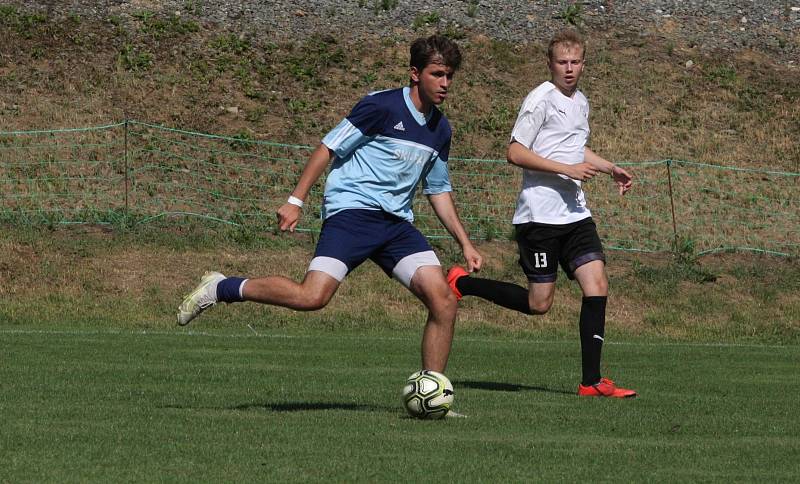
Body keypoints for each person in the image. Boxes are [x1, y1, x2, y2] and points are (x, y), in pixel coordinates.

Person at [177, 34, 482, 373]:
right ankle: (222, 287)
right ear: (415, 73)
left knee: (443, 301)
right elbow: (328, 148)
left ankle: (432, 390)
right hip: (353, 213)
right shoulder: (381, 107)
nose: (445, 83)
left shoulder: (440, 129)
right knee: (312, 297)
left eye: (450, 75)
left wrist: (465, 243)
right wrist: (295, 200)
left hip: (395, 224)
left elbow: (438, 190)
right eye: (437, 74)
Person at [447, 30, 636, 398]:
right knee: (539, 304)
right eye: (562, 62)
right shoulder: (540, 99)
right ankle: (461, 283)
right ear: (550, 63)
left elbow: (576, 149)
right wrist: (563, 169)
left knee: (597, 285)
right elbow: (515, 152)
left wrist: (610, 167)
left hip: (575, 214)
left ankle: (592, 382)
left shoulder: (581, 101)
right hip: (539, 217)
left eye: (575, 62)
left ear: (583, 64)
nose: (569, 69)